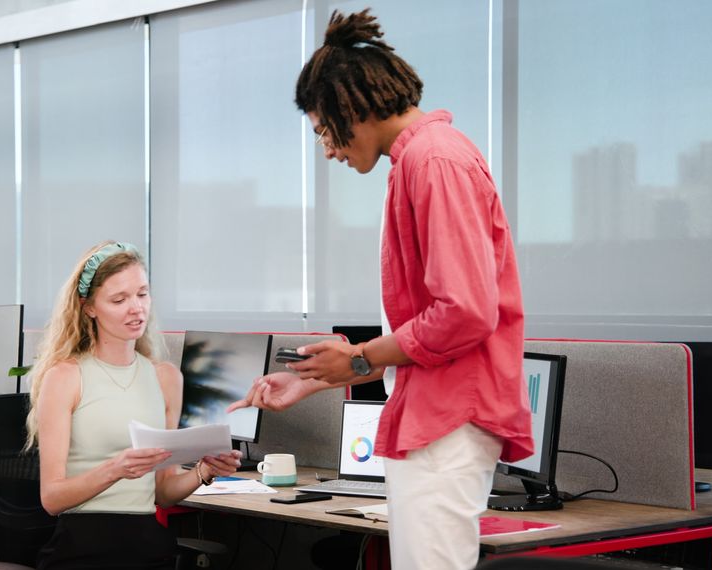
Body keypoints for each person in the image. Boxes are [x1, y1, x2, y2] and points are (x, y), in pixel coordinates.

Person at [228, 9, 533, 570]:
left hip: (450, 415)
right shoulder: (417, 160)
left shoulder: (435, 160)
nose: (327, 149)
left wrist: (360, 359)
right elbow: (430, 327)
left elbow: (463, 313)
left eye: (323, 129)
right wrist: (321, 377)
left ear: (350, 109)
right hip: (434, 410)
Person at [26, 241, 241, 569]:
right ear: (89, 308)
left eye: (142, 294)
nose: (136, 308)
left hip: (146, 545)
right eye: (119, 299)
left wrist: (204, 470)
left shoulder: (166, 378)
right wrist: (115, 469)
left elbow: (163, 492)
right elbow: (51, 500)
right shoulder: (65, 377)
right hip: (84, 546)